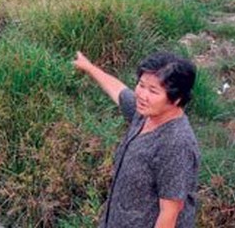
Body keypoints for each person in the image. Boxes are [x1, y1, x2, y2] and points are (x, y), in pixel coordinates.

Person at [73, 51, 200, 228]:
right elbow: (119, 91)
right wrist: (89, 67)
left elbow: (169, 214)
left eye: (153, 91)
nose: (142, 95)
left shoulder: (176, 144)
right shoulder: (145, 114)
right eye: (141, 85)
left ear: (177, 99)